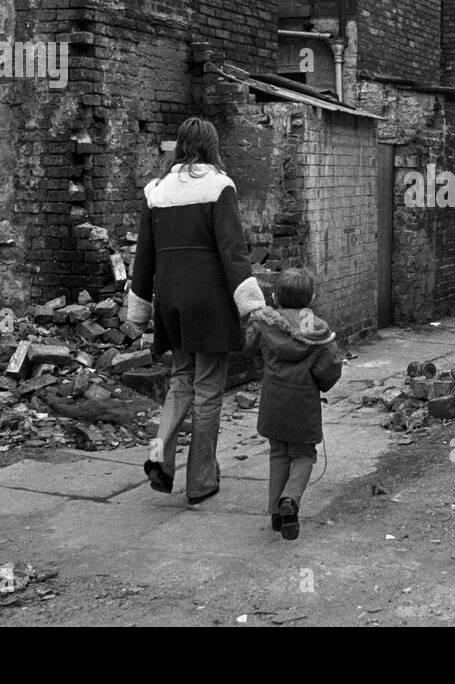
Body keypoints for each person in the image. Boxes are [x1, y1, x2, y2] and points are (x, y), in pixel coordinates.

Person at [129, 117, 265, 504]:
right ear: (211, 146)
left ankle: (161, 456)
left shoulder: (155, 192)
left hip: (171, 303)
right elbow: (232, 251)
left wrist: (139, 308)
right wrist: (253, 306)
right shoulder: (219, 187)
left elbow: (144, 258)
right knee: (207, 391)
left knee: (179, 380)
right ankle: (201, 480)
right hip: (210, 305)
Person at [243, 268, 342, 540]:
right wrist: (321, 384)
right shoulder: (313, 326)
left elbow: (248, 346)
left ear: (275, 295)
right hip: (303, 402)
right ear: (310, 298)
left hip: (273, 401)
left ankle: (277, 513)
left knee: (278, 454)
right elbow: (328, 367)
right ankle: (291, 499)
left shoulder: (268, 321)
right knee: (303, 455)